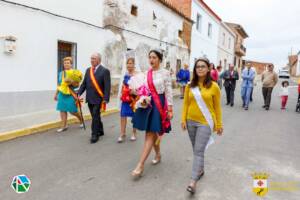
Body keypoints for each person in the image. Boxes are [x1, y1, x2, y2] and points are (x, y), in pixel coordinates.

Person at [181, 57, 223, 195]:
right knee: (197, 149)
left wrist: (219, 124)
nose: (200, 68)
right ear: (195, 69)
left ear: (208, 69)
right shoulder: (189, 86)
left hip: (205, 122)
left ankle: (193, 182)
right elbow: (186, 104)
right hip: (190, 121)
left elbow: (217, 108)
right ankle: (200, 169)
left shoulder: (214, 87)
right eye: (197, 66)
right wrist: (183, 120)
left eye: (203, 66)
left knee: (198, 151)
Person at [131, 50, 173, 177]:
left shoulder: (165, 73)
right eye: (150, 57)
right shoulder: (146, 73)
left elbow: (169, 91)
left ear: (159, 59)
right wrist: (137, 93)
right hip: (148, 104)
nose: (151, 60)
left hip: (159, 104)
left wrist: (170, 109)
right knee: (152, 132)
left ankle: (140, 165)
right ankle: (158, 154)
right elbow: (143, 90)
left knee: (150, 134)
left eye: (154, 57)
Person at [78, 53, 111, 144]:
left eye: (94, 58)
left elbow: (107, 86)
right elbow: (84, 83)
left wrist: (106, 98)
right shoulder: (88, 70)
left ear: (99, 60)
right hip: (90, 97)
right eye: (91, 58)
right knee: (94, 116)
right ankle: (100, 130)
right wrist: (79, 93)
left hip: (99, 98)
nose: (92, 60)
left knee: (95, 116)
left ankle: (94, 134)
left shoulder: (105, 71)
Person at [54, 57, 84, 132]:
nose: (66, 64)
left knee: (72, 111)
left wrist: (71, 82)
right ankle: (64, 126)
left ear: (71, 64)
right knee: (62, 110)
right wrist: (56, 94)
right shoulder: (61, 73)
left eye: (68, 63)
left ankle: (81, 120)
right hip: (62, 94)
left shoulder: (74, 73)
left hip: (71, 94)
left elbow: (77, 85)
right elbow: (59, 85)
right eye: (65, 63)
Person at [118, 58, 137, 143]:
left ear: (134, 65)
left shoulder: (137, 75)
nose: (129, 65)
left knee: (134, 116)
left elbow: (140, 87)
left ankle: (134, 133)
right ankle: (122, 133)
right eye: (128, 63)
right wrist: (121, 93)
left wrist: (134, 91)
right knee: (123, 115)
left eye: (130, 63)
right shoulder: (125, 74)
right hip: (125, 98)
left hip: (133, 98)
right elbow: (123, 85)